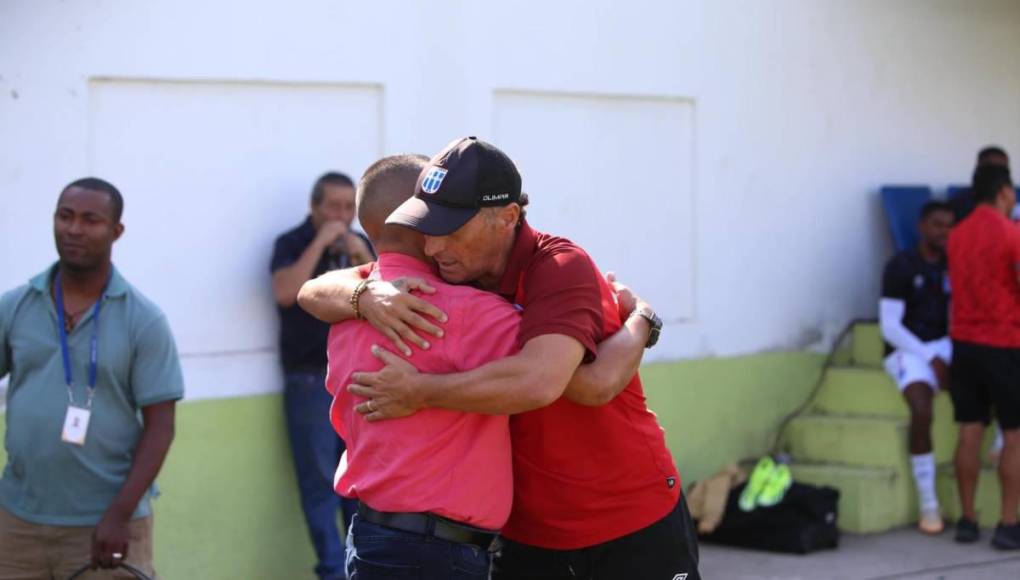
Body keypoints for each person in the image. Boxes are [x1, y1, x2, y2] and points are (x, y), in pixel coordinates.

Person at [299, 137, 701, 579]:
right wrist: (363, 293)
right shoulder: (444, 276)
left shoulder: (560, 267)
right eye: (428, 229)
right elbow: (311, 292)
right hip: (530, 532)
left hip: (626, 516)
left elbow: (580, 384)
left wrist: (642, 321)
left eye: (451, 230)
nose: (433, 248)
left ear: (507, 218)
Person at [327, 153, 525, 578]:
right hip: (434, 554)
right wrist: (636, 317)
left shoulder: (343, 311)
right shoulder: (479, 313)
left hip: (369, 537)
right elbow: (566, 370)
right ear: (421, 222)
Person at [0, 178, 183, 578]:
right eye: (65, 216)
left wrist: (118, 516)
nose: (75, 229)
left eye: (90, 219)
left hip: (107, 526)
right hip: (17, 522)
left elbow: (160, 427)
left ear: (116, 231)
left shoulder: (143, 320)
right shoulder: (16, 306)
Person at [270, 171, 373, 580]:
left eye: (350, 207)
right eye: (333, 206)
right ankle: (332, 572)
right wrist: (321, 241)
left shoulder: (358, 245)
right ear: (314, 207)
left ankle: (359, 568)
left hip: (355, 381)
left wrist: (359, 248)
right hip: (309, 381)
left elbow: (388, 286)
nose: (342, 215)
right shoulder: (292, 243)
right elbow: (285, 291)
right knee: (319, 489)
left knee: (358, 485)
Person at [946, 164, 1020, 549]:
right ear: (1004, 191)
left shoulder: (956, 236)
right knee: (1014, 436)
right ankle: (1008, 525)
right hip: (1005, 344)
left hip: (964, 345)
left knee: (969, 432)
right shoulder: (1012, 234)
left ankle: (968, 520)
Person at [879, 201, 954, 534]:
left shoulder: (955, 263)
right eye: (938, 225)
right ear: (923, 226)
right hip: (908, 350)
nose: (944, 232)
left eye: (950, 226)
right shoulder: (901, 265)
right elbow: (889, 326)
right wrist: (929, 357)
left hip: (947, 344)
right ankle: (929, 504)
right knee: (921, 409)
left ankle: (998, 449)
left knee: (997, 378)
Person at [949, 146, 1010, 223]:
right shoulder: (958, 203)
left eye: (1000, 171)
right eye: (989, 170)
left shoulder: (1012, 201)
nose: (995, 175)